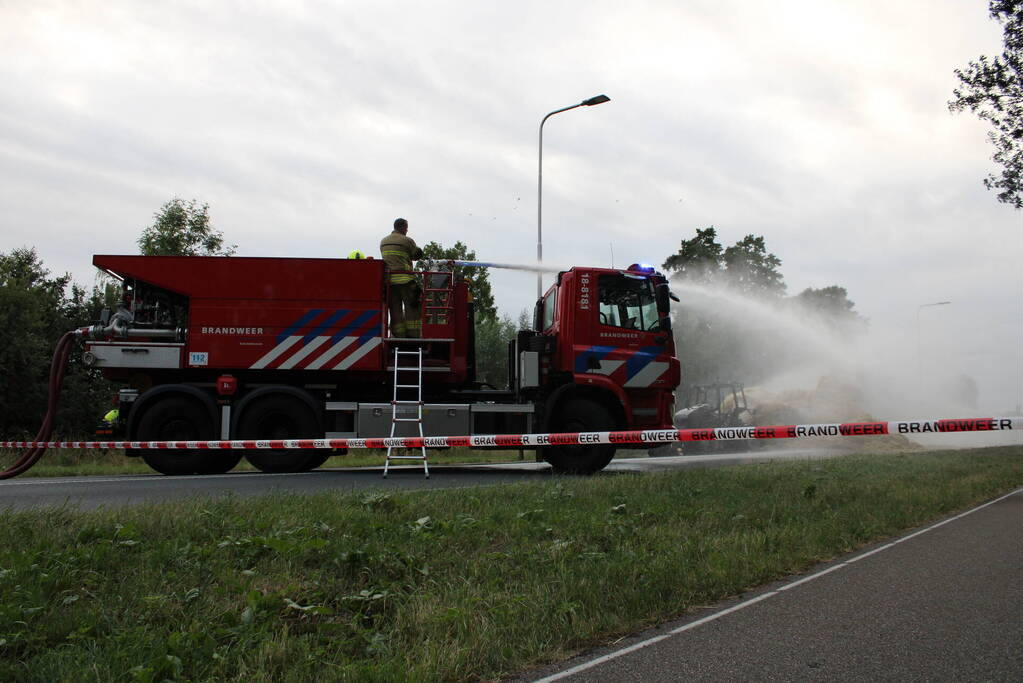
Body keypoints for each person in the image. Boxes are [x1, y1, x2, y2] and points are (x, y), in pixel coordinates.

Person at [380, 217, 424, 337]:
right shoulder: (407, 240)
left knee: (395, 311)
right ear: (404, 228)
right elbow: (416, 255)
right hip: (406, 280)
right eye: (407, 227)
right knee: (412, 307)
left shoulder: (383, 241)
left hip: (389, 282)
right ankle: (413, 336)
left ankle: (399, 336)